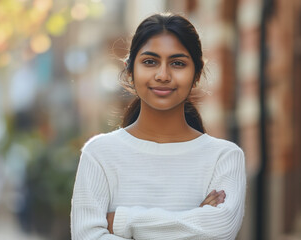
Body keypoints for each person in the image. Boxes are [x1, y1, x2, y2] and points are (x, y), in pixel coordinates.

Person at [71, 12, 246, 240]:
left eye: (177, 63)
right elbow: (87, 236)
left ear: (197, 73)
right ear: (130, 69)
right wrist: (193, 221)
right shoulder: (99, 154)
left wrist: (123, 222)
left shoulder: (224, 158)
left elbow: (219, 231)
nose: (163, 75)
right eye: (150, 62)